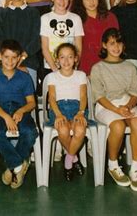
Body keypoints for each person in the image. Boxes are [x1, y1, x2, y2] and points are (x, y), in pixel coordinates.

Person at [90, 28, 137, 191]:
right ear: (104, 45)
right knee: (118, 126)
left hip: (128, 104)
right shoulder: (97, 68)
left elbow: (136, 93)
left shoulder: (130, 67)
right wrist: (116, 109)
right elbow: (99, 96)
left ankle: (135, 168)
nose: (116, 47)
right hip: (106, 105)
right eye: (112, 43)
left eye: (119, 43)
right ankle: (113, 164)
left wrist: (127, 106)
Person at [0, 39, 38, 189]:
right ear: (0, 57)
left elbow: (31, 103)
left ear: (19, 58)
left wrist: (21, 111)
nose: (10, 61)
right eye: (6, 57)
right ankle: (18, 165)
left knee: (30, 132)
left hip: (20, 111)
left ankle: (11, 168)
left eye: (14, 57)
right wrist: (6, 117)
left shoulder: (24, 77)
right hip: (0, 112)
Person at [45, 43, 87, 181]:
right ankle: (74, 158)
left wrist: (81, 111)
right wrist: (58, 114)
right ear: (57, 60)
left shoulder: (81, 75)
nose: (66, 61)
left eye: (70, 57)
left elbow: (82, 97)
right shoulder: (52, 77)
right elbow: (51, 98)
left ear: (76, 59)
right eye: (62, 57)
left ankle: (68, 160)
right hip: (59, 108)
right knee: (62, 130)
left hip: (77, 108)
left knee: (80, 130)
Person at [0, 0, 40, 88]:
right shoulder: (2, 13)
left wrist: (23, 56)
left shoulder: (33, 13)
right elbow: (1, 39)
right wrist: (11, 60)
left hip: (29, 62)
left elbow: (36, 39)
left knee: (28, 99)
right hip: (8, 63)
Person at [70, 0, 118, 75]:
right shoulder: (76, 19)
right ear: (80, 1)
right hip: (85, 65)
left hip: (107, 65)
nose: (91, 2)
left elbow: (116, 43)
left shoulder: (110, 17)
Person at [41, 0, 83, 74]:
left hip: (70, 67)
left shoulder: (76, 18)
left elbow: (78, 47)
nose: (62, 1)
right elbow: (44, 46)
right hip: (50, 67)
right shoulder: (45, 18)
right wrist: (55, 69)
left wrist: (74, 66)